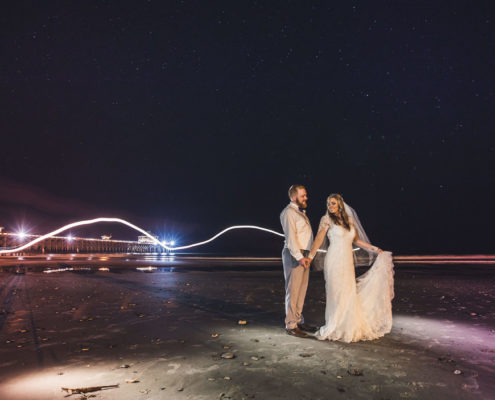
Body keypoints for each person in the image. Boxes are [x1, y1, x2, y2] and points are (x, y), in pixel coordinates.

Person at [307, 193, 394, 342]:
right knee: (336, 293)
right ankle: (334, 325)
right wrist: (310, 257)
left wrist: (375, 249)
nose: (330, 206)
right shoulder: (326, 220)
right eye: (328, 204)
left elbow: (357, 241)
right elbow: (318, 239)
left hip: (347, 262)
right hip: (334, 261)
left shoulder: (349, 220)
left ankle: (347, 326)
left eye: (333, 203)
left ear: (340, 205)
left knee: (348, 292)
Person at [280, 185, 317, 338]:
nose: (306, 198)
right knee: (293, 290)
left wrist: (309, 255)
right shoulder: (288, 213)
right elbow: (291, 238)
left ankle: (298, 320)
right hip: (295, 254)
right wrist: (300, 257)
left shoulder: (300, 213)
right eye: (303, 196)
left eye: (306, 195)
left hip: (305, 254)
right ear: (294, 197)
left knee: (301, 290)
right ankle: (291, 325)